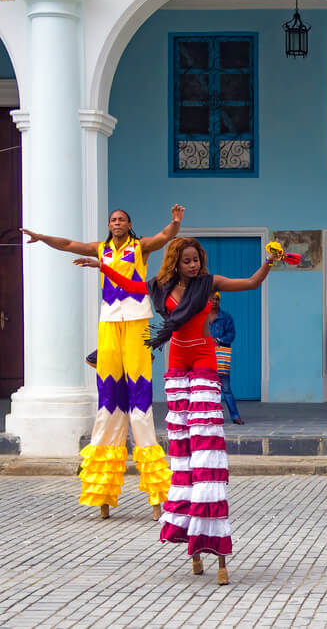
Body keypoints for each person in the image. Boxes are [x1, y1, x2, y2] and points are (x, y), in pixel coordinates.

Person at [80, 236, 274, 585]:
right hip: (176, 361)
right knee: (182, 448)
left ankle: (213, 537)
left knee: (206, 445)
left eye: (196, 259)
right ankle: (193, 541)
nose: (193, 265)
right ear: (175, 262)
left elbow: (250, 283)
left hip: (203, 357)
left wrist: (269, 262)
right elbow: (130, 283)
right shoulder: (160, 286)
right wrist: (102, 265)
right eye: (187, 260)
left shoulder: (208, 284)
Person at [23, 205, 183, 520]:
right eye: (113, 220)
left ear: (129, 224)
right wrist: (41, 238)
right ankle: (103, 495)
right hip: (109, 322)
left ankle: (156, 496)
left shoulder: (140, 248)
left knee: (140, 407)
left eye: (122, 219)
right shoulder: (100, 249)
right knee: (109, 405)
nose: (117, 223)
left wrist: (175, 223)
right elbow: (68, 245)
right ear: (109, 225)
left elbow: (165, 237)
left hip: (136, 320)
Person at [208, 292, 243, 424]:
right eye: (212, 299)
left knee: (226, 388)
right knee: (207, 388)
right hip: (204, 356)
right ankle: (210, 416)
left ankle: (235, 416)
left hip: (220, 356)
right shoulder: (202, 316)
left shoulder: (226, 317)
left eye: (217, 299)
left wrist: (219, 340)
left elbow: (231, 334)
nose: (215, 301)